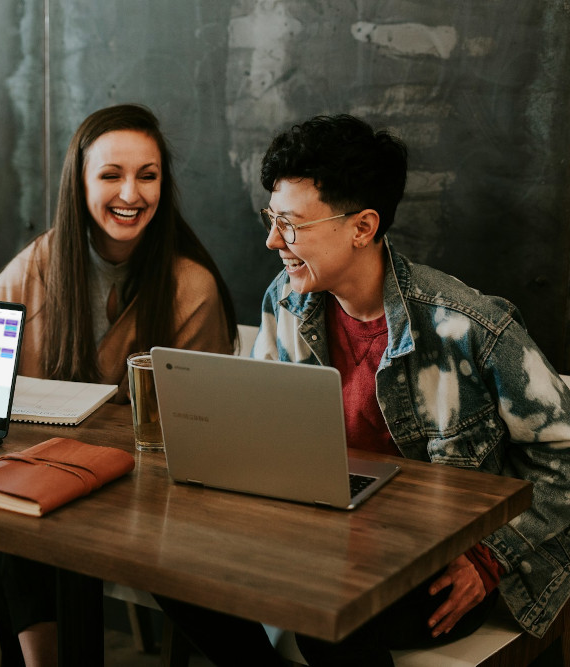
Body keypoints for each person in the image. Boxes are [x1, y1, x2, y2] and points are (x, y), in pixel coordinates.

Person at [160, 114, 570, 666]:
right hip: (324, 538)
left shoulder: (467, 326)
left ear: (362, 227)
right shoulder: (286, 300)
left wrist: (490, 557)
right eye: (271, 218)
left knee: (328, 613)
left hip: (436, 557)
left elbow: (563, 455)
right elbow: (265, 439)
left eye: (291, 224)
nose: (272, 240)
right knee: (169, 568)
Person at [0, 103, 237, 666]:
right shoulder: (47, 257)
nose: (131, 193)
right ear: (81, 182)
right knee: (3, 512)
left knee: (18, 516)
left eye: (148, 176)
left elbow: (199, 429)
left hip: (146, 497)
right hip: (50, 478)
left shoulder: (190, 286)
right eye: (111, 175)